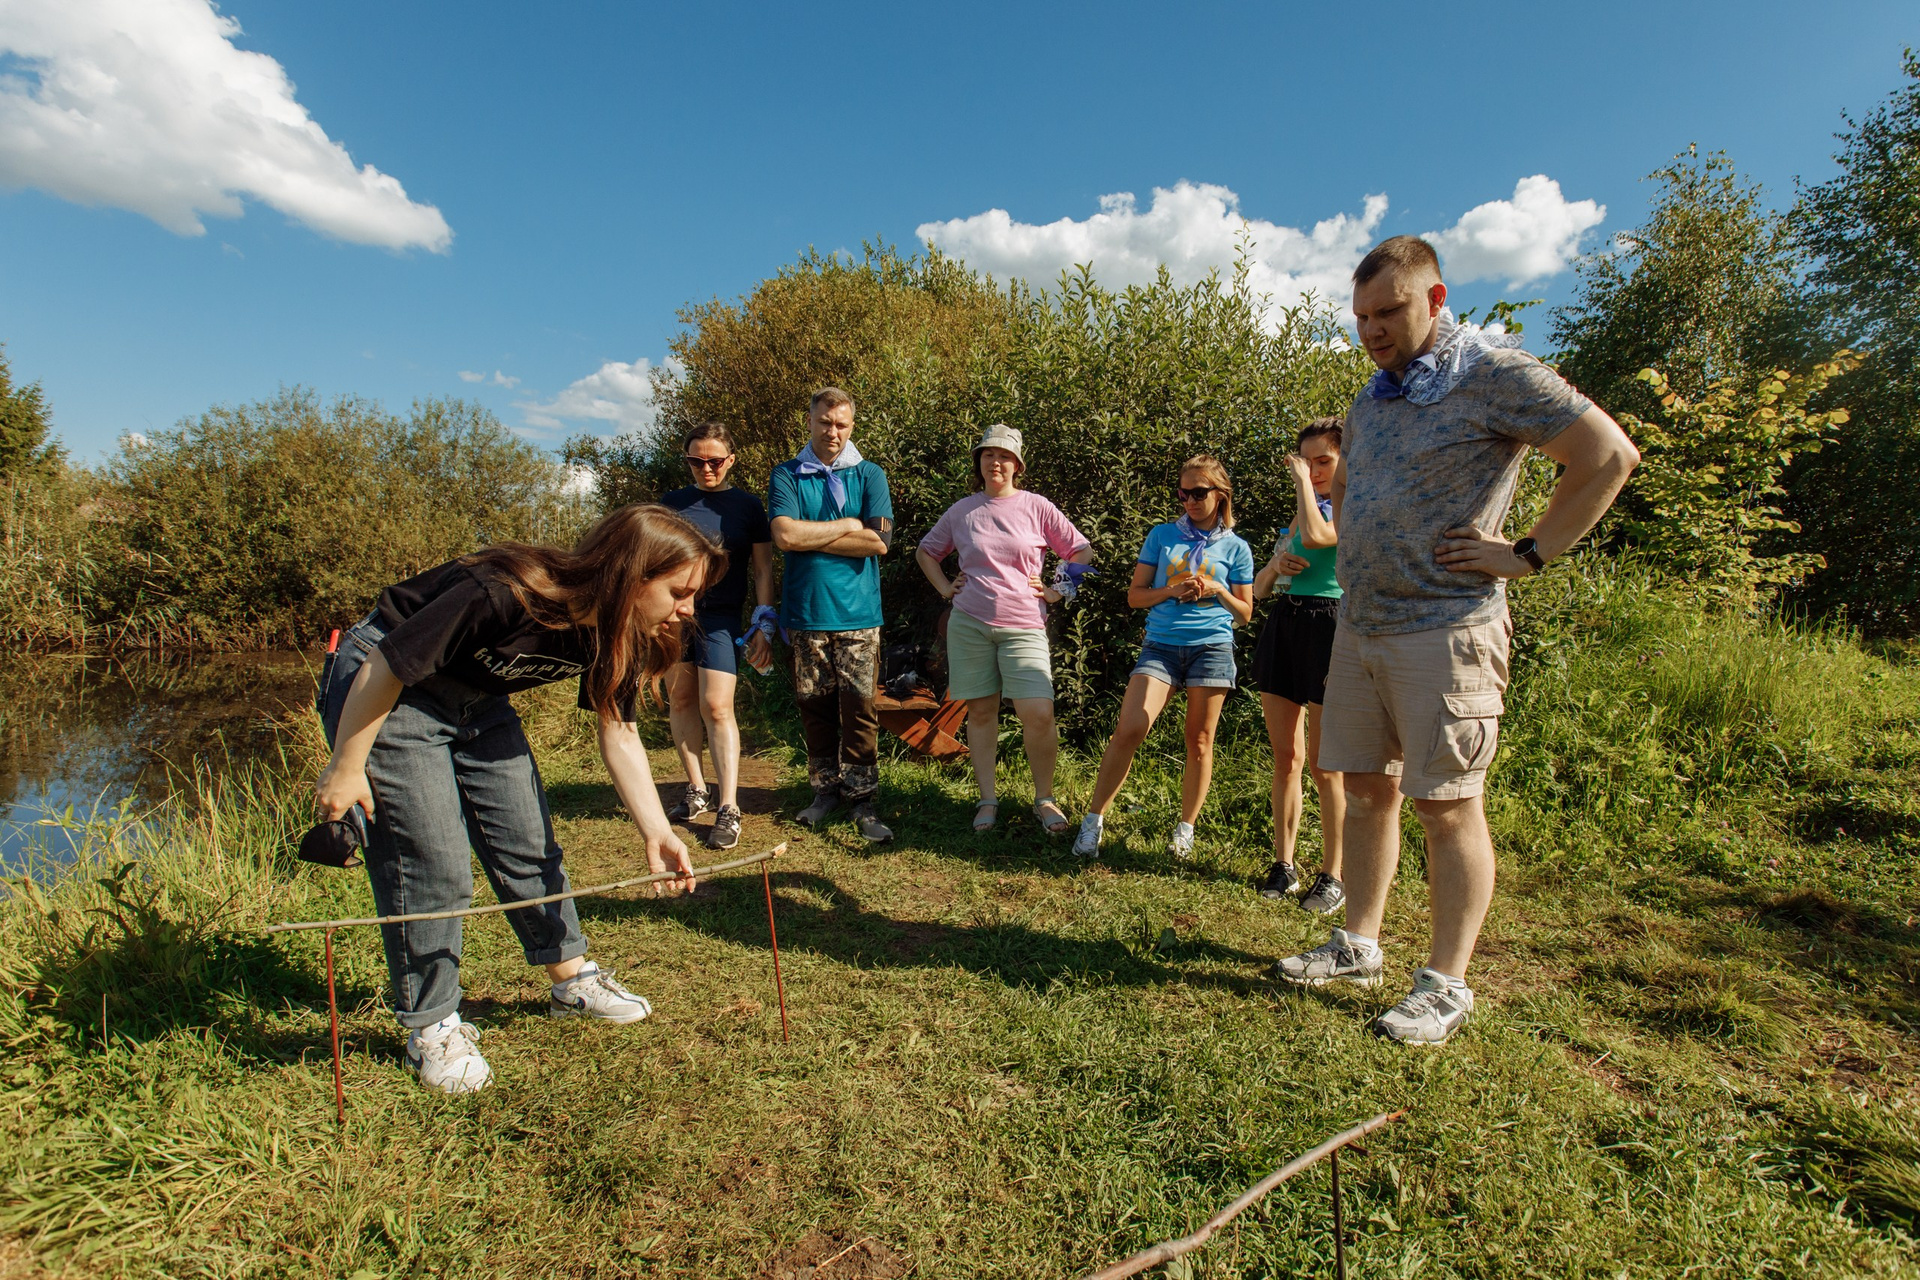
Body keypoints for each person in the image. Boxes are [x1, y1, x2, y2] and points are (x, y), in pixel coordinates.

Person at [1274, 236, 1639, 1046]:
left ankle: (1445, 985)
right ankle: (1358, 945)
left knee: (1446, 805)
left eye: (1389, 311)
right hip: (1360, 625)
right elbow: (1350, 494)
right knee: (1365, 790)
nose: (1371, 329)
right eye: (1361, 316)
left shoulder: (1495, 374)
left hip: (1445, 627)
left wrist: (1529, 553)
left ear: (1436, 300)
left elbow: (1608, 455)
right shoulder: (1373, 399)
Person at [312, 504, 720, 1094]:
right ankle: (431, 1026)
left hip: (478, 697)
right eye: (679, 592)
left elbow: (619, 729)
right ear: (630, 575)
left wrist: (657, 829)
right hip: (388, 687)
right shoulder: (503, 592)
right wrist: (347, 767)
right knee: (431, 860)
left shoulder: (618, 629)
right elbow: (386, 663)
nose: (688, 609)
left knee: (526, 838)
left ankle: (571, 980)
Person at [1073, 455, 1255, 861]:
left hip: (1212, 647)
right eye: (1183, 493)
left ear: (1220, 495)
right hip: (1161, 646)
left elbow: (1244, 614)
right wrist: (1172, 590)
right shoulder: (1162, 535)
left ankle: (1185, 831)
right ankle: (1092, 822)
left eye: (1199, 493)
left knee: (1200, 741)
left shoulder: (1237, 548)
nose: (1190, 501)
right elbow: (1135, 597)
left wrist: (1217, 591)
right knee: (1130, 728)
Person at [915, 424, 1093, 835]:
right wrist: (945, 587)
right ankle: (987, 800)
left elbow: (1081, 550)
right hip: (969, 625)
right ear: (979, 462)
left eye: (1005, 456)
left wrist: (1058, 590)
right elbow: (927, 552)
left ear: (1017, 465)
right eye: (988, 454)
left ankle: (1044, 799)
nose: (996, 462)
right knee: (981, 713)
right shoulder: (962, 511)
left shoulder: (1037, 507)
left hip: (1024, 625)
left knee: (1040, 713)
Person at [768, 387, 896, 842]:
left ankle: (863, 799)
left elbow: (878, 541)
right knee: (815, 709)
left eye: (841, 424)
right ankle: (824, 792)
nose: (832, 432)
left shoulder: (870, 474)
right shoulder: (787, 474)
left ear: (852, 426)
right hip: (806, 612)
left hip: (859, 614)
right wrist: (846, 526)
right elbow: (784, 536)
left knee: (860, 709)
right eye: (825, 422)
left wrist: (811, 536)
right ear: (810, 421)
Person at [660, 422, 776, 851]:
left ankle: (729, 806)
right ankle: (696, 789)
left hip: (722, 618)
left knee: (717, 706)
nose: (705, 468)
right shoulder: (671, 504)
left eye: (714, 461)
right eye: (696, 461)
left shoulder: (747, 506)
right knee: (680, 699)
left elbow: (762, 569)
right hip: (674, 617)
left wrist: (764, 623)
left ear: (731, 460)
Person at [1250, 417, 1347, 911]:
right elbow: (1259, 590)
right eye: (1305, 462)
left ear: (1345, 460)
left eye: (1323, 461)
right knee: (1286, 756)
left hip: (1331, 625)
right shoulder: (1302, 511)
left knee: (1326, 764)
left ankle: (1334, 874)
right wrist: (1274, 566)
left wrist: (1301, 483)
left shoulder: (1350, 504)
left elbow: (1321, 535)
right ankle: (1284, 863)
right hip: (1286, 622)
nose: (1313, 471)